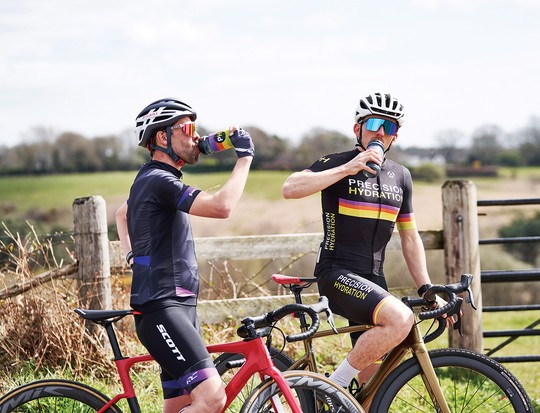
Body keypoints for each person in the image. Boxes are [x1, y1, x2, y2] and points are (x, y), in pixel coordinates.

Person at [282, 92, 444, 390]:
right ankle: (331, 388)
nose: (381, 132)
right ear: (358, 128)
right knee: (400, 319)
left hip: (373, 279)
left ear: (396, 135)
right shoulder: (337, 163)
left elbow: (409, 236)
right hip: (337, 272)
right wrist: (348, 168)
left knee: (373, 386)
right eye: (374, 123)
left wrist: (427, 288)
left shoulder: (401, 176)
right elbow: (290, 188)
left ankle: (343, 398)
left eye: (390, 127)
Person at [116, 98, 253, 413]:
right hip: (164, 310)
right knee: (212, 399)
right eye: (188, 128)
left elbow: (122, 215)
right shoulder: (158, 180)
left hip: (177, 307)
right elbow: (222, 207)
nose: (196, 136)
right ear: (162, 138)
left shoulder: (149, 179)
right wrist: (244, 157)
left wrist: (132, 259)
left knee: (184, 406)